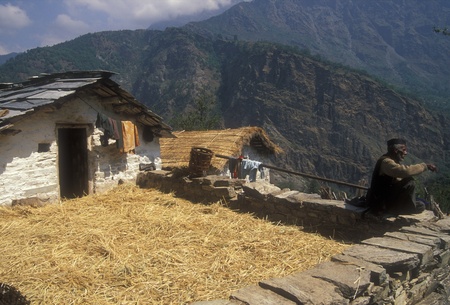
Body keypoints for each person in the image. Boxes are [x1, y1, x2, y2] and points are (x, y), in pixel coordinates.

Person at [366, 138, 438, 215]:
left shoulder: (392, 161)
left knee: (421, 204)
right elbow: (404, 171)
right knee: (409, 182)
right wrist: (424, 166)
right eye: (404, 150)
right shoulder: (386, 162)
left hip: (385, 198)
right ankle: (398, 209)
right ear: (396, 150)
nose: (406, 153)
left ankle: (403, 207)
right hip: (380, 202)